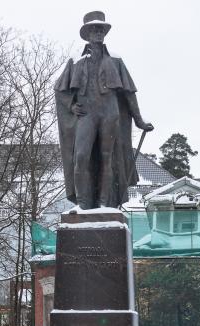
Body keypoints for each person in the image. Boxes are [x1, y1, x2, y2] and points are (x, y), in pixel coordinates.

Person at [55, 11, 154, 209]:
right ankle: (83, 205)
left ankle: (103, 204)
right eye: (94, 29)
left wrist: (139, 120)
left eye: (101, 29)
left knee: (107, 158)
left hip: (110, 112)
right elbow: (60, 91)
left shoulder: (116, 60)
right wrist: (71, 105)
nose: (98, 32)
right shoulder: (76, 60)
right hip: (86, 114)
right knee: (81, 157)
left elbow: (129, 93)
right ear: (87, 33)